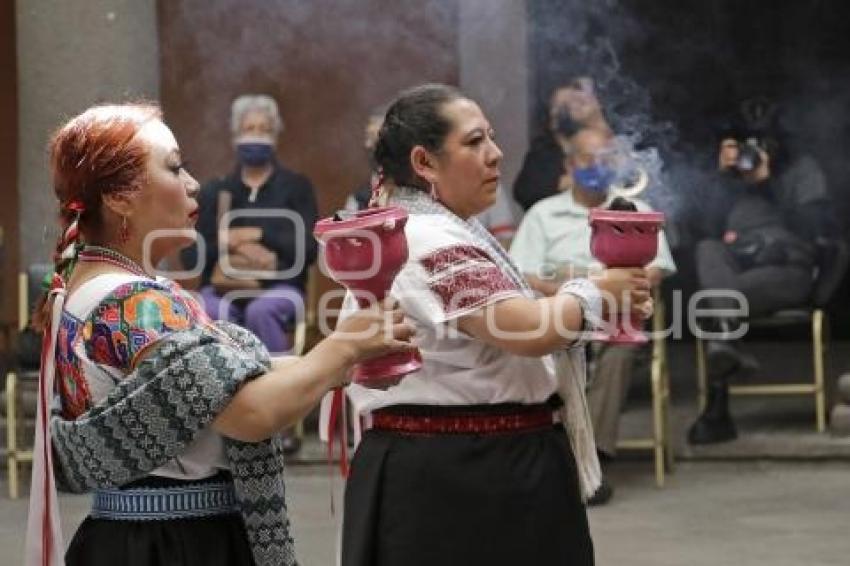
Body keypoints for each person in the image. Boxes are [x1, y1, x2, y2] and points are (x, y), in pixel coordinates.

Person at [26, 103, 415, 566]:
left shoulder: (92, 286)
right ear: (119, 197)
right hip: (175, 546)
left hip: (138, 540)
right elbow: (249, 411)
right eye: (174, 167)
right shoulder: (131, 302)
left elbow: (228, 384)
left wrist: (345, 363)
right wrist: (343, 346)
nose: (192, 183)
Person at [332, 84, 652, 566]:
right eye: (475, 141)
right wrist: (598, 293)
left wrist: (587, 285)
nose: (496, 154)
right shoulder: (424, 236)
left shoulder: (437, 224)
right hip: (458, 474)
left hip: (480, 460)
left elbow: (510, 288)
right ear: (424, 162)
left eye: (492, 138)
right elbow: (524, 329)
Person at [510, 127, 677, 504]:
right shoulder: (543, 213)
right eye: (589, 160)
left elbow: (656, 268)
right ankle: (555, 454)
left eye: (607, 160)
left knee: (618, 349)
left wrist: (608, 288)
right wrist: (584, 289)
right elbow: (526, 275)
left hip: (616, 314)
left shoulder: (637, 209)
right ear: (570, 165)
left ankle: (591, 460)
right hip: (559, 310)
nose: (599, 168)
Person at [687, 97, 838, 444]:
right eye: (747, 143)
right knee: (707, 251)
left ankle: (717, 407)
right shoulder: (729, 177)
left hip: (786, 270)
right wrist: (721, 179)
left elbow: (816, 232)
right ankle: (726, 339)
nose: (753, 152)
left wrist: (767, 183)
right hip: (735, 269)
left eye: (763, 142)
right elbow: (701, 232)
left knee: (713, 301)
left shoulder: (802, 170)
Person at [184, 94, 318, 454]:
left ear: (276, 135)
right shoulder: (217, 191)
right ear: (234, 135)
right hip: (223, 289)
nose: (255, 136)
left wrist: (254, 234)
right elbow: (191, 252)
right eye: (248, 129)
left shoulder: (296, 188)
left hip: (281, 289)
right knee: (211, 313)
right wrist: (227, 242)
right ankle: (223, 414)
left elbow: (308, 248)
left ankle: (279, 416)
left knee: (263, 311)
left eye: (263, 129)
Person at [513, 77, 612, 211]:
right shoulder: (544, 151)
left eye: (580, 102)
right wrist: (576, 181)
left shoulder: (619, 139)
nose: (573, 108)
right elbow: (525, 191)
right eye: (563, 107)